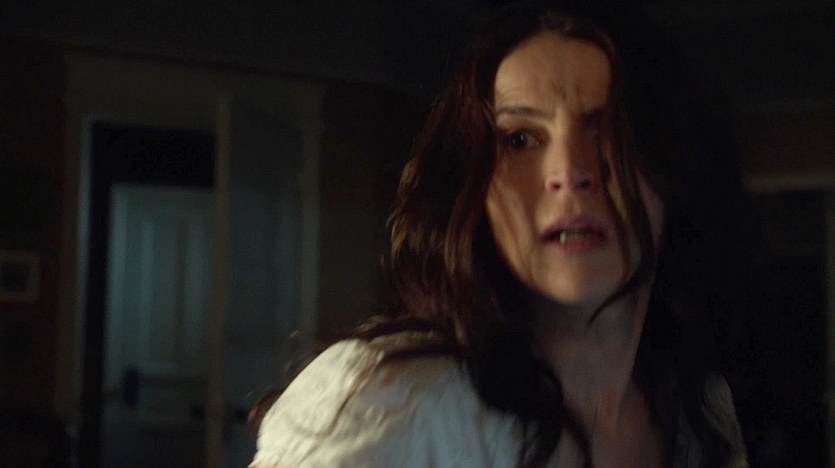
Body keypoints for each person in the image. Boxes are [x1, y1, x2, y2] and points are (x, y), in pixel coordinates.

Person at [250, 1, 753, 466]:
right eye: (520, 139)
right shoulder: (393, 402)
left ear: (673, 167)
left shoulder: (699, 416)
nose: (568, 172)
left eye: (608, 132)